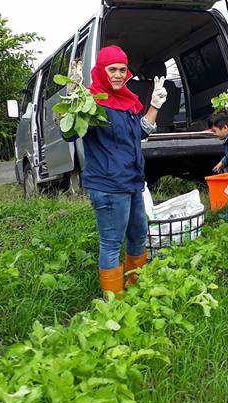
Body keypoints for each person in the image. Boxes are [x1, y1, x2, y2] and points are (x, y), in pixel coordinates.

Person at [68, 45, 166, 295]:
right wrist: (74, 102)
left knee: (138, 235)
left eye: (123, 70)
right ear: (101, 70)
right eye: (112, 69)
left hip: (132, 181)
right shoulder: (92, 102)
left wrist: (154, 106)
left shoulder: (126, 99)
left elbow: (139, 133)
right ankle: (113, 303)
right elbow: (69, 134)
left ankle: (135, 289)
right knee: (112, 243)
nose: (119, 75)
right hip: (108, 185)